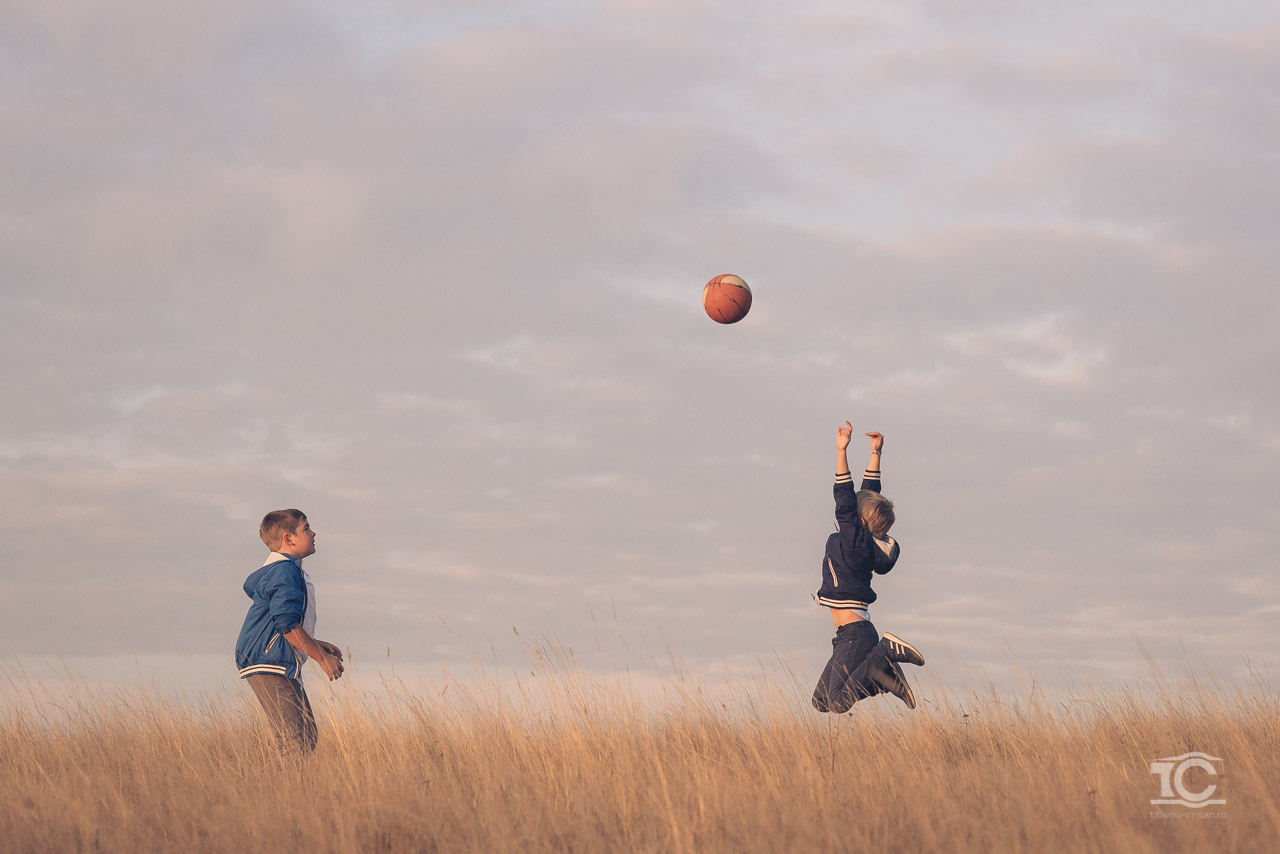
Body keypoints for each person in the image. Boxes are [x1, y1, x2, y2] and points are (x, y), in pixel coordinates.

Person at [811, 423, 925, 713]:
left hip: (856, 634)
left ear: (858, 522)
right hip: (847, 636)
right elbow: (868, 497)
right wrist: (876, 454)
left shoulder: (855, 541)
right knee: (821, 701)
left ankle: (886, 653)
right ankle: (883, 675)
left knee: (837, 702)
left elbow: (846, 499)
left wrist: (841, 451)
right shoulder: (865, 541)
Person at [234, 509, 344, 753]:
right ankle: (275, 790)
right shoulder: (284, 571)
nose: (313, 533)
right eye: (306, 528)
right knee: (297, 741)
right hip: (270, 659)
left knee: (305, 735)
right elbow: (285, 623)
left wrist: (314, 642)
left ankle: (281, 788)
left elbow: (281, 622)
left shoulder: (285, 570)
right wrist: (321, 658)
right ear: (288, 538)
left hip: (273, 658)